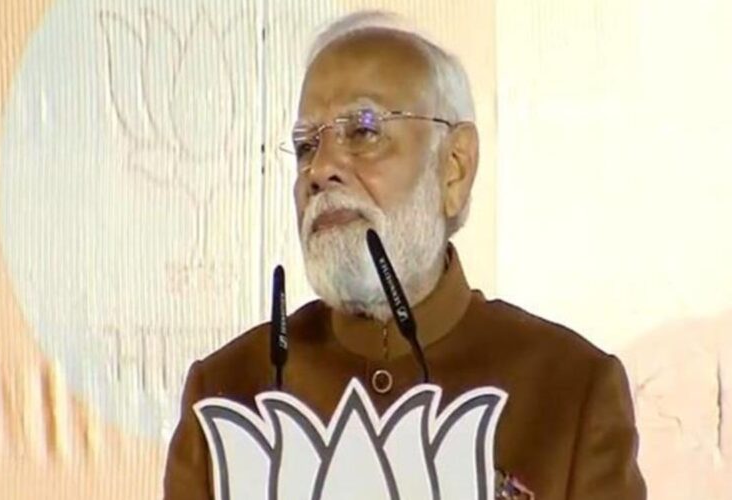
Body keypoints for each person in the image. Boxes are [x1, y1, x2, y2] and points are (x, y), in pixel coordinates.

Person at [163, 11, 646, 500]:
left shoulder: (570, 391)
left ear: (454, 168)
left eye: (363, 130)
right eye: (306, 145)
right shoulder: (228, 392)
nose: (320, 169)